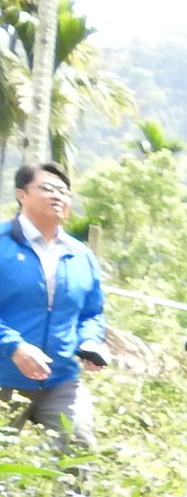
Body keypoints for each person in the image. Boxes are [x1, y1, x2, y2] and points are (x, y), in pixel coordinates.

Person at [0, 160, 107, 451]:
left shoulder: (80, 255)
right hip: (3, 376)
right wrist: (14, 346)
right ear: (22, 194)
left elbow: (92, 312)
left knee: (79, 447)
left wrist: (89, 341)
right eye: (47, 188)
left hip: (60, 380)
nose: (57, 196)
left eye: (64, 191)